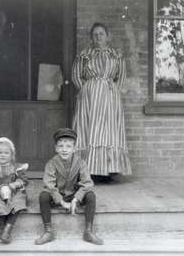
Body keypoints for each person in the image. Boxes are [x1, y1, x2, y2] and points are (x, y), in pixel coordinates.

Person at [72, 22, 132, 177]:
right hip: (90, 97)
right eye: (95, 34)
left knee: (108, 130)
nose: (98, 37)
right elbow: (76, 75)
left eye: (101, 34)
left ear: (107, 36)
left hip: (110, 97)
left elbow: (122, 77)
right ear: (92, 38)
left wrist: (115, 91)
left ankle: (109, 170)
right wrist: (85, 89)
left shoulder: (116, 55)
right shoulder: (85, 55)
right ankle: (88, 171)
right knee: (89, 129)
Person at [34, 128, 103, 245]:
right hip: (58, 195)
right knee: (43, 196)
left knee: (91, 195)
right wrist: (62, 202)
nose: (64, 150)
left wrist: (76, 199)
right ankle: (48, 231)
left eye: (68, 146)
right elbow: (49, 185)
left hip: (74, 195)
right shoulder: (51, 164)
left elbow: (87, 183)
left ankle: (88, 231)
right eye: (61, 146)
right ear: (56, 148)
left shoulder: (81, 163)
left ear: (74, 148)